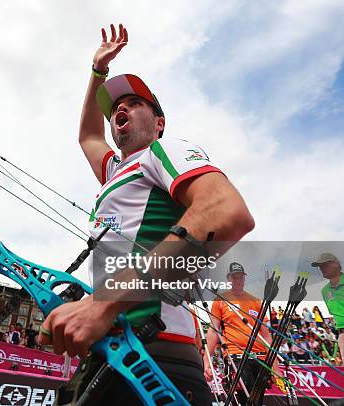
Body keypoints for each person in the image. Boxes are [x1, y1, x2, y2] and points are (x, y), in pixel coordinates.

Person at [38, 23, 254, 405]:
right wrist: (97, 72)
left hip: (158, 352)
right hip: (115, 348)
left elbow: (226, 212)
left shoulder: (161, 152)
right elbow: (88, 136)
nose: (121, 107)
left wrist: (103, 303)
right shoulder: (115, 172)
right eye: (116, 107)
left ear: (159, 124)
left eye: (136, 103)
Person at [203, 262, 278, 405]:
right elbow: (213, 331)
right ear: (228, 279)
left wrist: (275, 366)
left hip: (260, 358)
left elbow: (266, 335)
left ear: (244, 279)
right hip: (235, 356)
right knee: (243, 399)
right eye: (234, 277)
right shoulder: (220, 300)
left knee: (256, 401)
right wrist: (206, 361)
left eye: (240, 277)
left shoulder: (256, 301)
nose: (238, 281)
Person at [312, 252, 344, 363]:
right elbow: (333, 312)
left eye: (324, 265)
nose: (321, 268)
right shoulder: (325, 291)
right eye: (320, 266)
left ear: (336, 264)